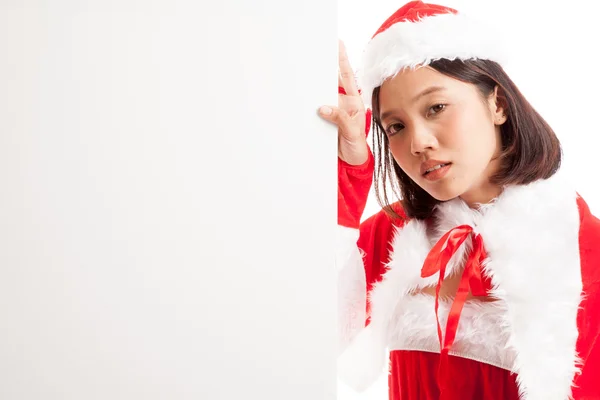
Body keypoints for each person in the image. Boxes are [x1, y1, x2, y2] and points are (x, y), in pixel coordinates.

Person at [319, 1, 600, 399]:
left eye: (436, 108)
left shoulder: (579, 248)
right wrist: (351, 168)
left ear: (497, 104)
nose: (418, 142)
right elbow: (304, 322)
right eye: (395, 126)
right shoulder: (397, 231)